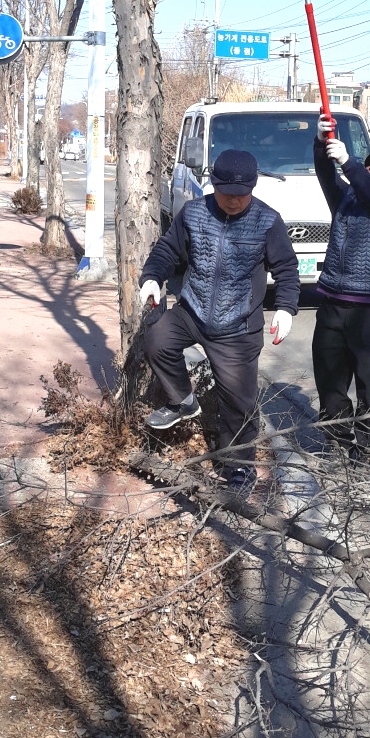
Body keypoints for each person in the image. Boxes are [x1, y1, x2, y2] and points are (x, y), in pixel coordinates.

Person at [138, 149, 300, 496]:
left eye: (242, 194)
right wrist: (152, 277)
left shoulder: (267, 221)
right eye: (227, 193)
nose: (234, 201)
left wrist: (286, 308)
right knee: (158, 340)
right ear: (214, 185)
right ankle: (182, 401)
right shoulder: (194, 212)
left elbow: (287, 268)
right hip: (193, 311)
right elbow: (167, 250)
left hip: (238, 327)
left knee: (238, 403)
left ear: (252, 189)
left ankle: (238, 466)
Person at [311, 114, 370, 468]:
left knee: (369, 381)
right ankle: (336, 438)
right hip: (332, 302)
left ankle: (367, 447)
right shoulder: (344, 199)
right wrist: (321, 142)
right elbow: (325, 173)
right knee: (329, 379)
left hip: (369, 310)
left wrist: (350, 163)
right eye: (369, 166)